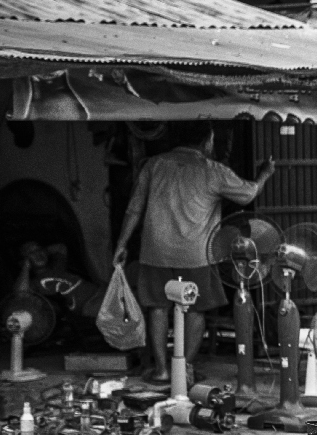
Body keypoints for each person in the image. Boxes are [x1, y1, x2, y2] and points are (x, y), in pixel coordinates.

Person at [113, 121, 274, 384]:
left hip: (156, 251)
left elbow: (134, 208)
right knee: (196, 309)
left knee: (157, 308)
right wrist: (264, 173)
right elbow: (248, 194)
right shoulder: (213, 170)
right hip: (196, 254)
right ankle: (184, 369)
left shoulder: (154, 165)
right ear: (207, 141)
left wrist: (122, 243)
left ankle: (162, 370)